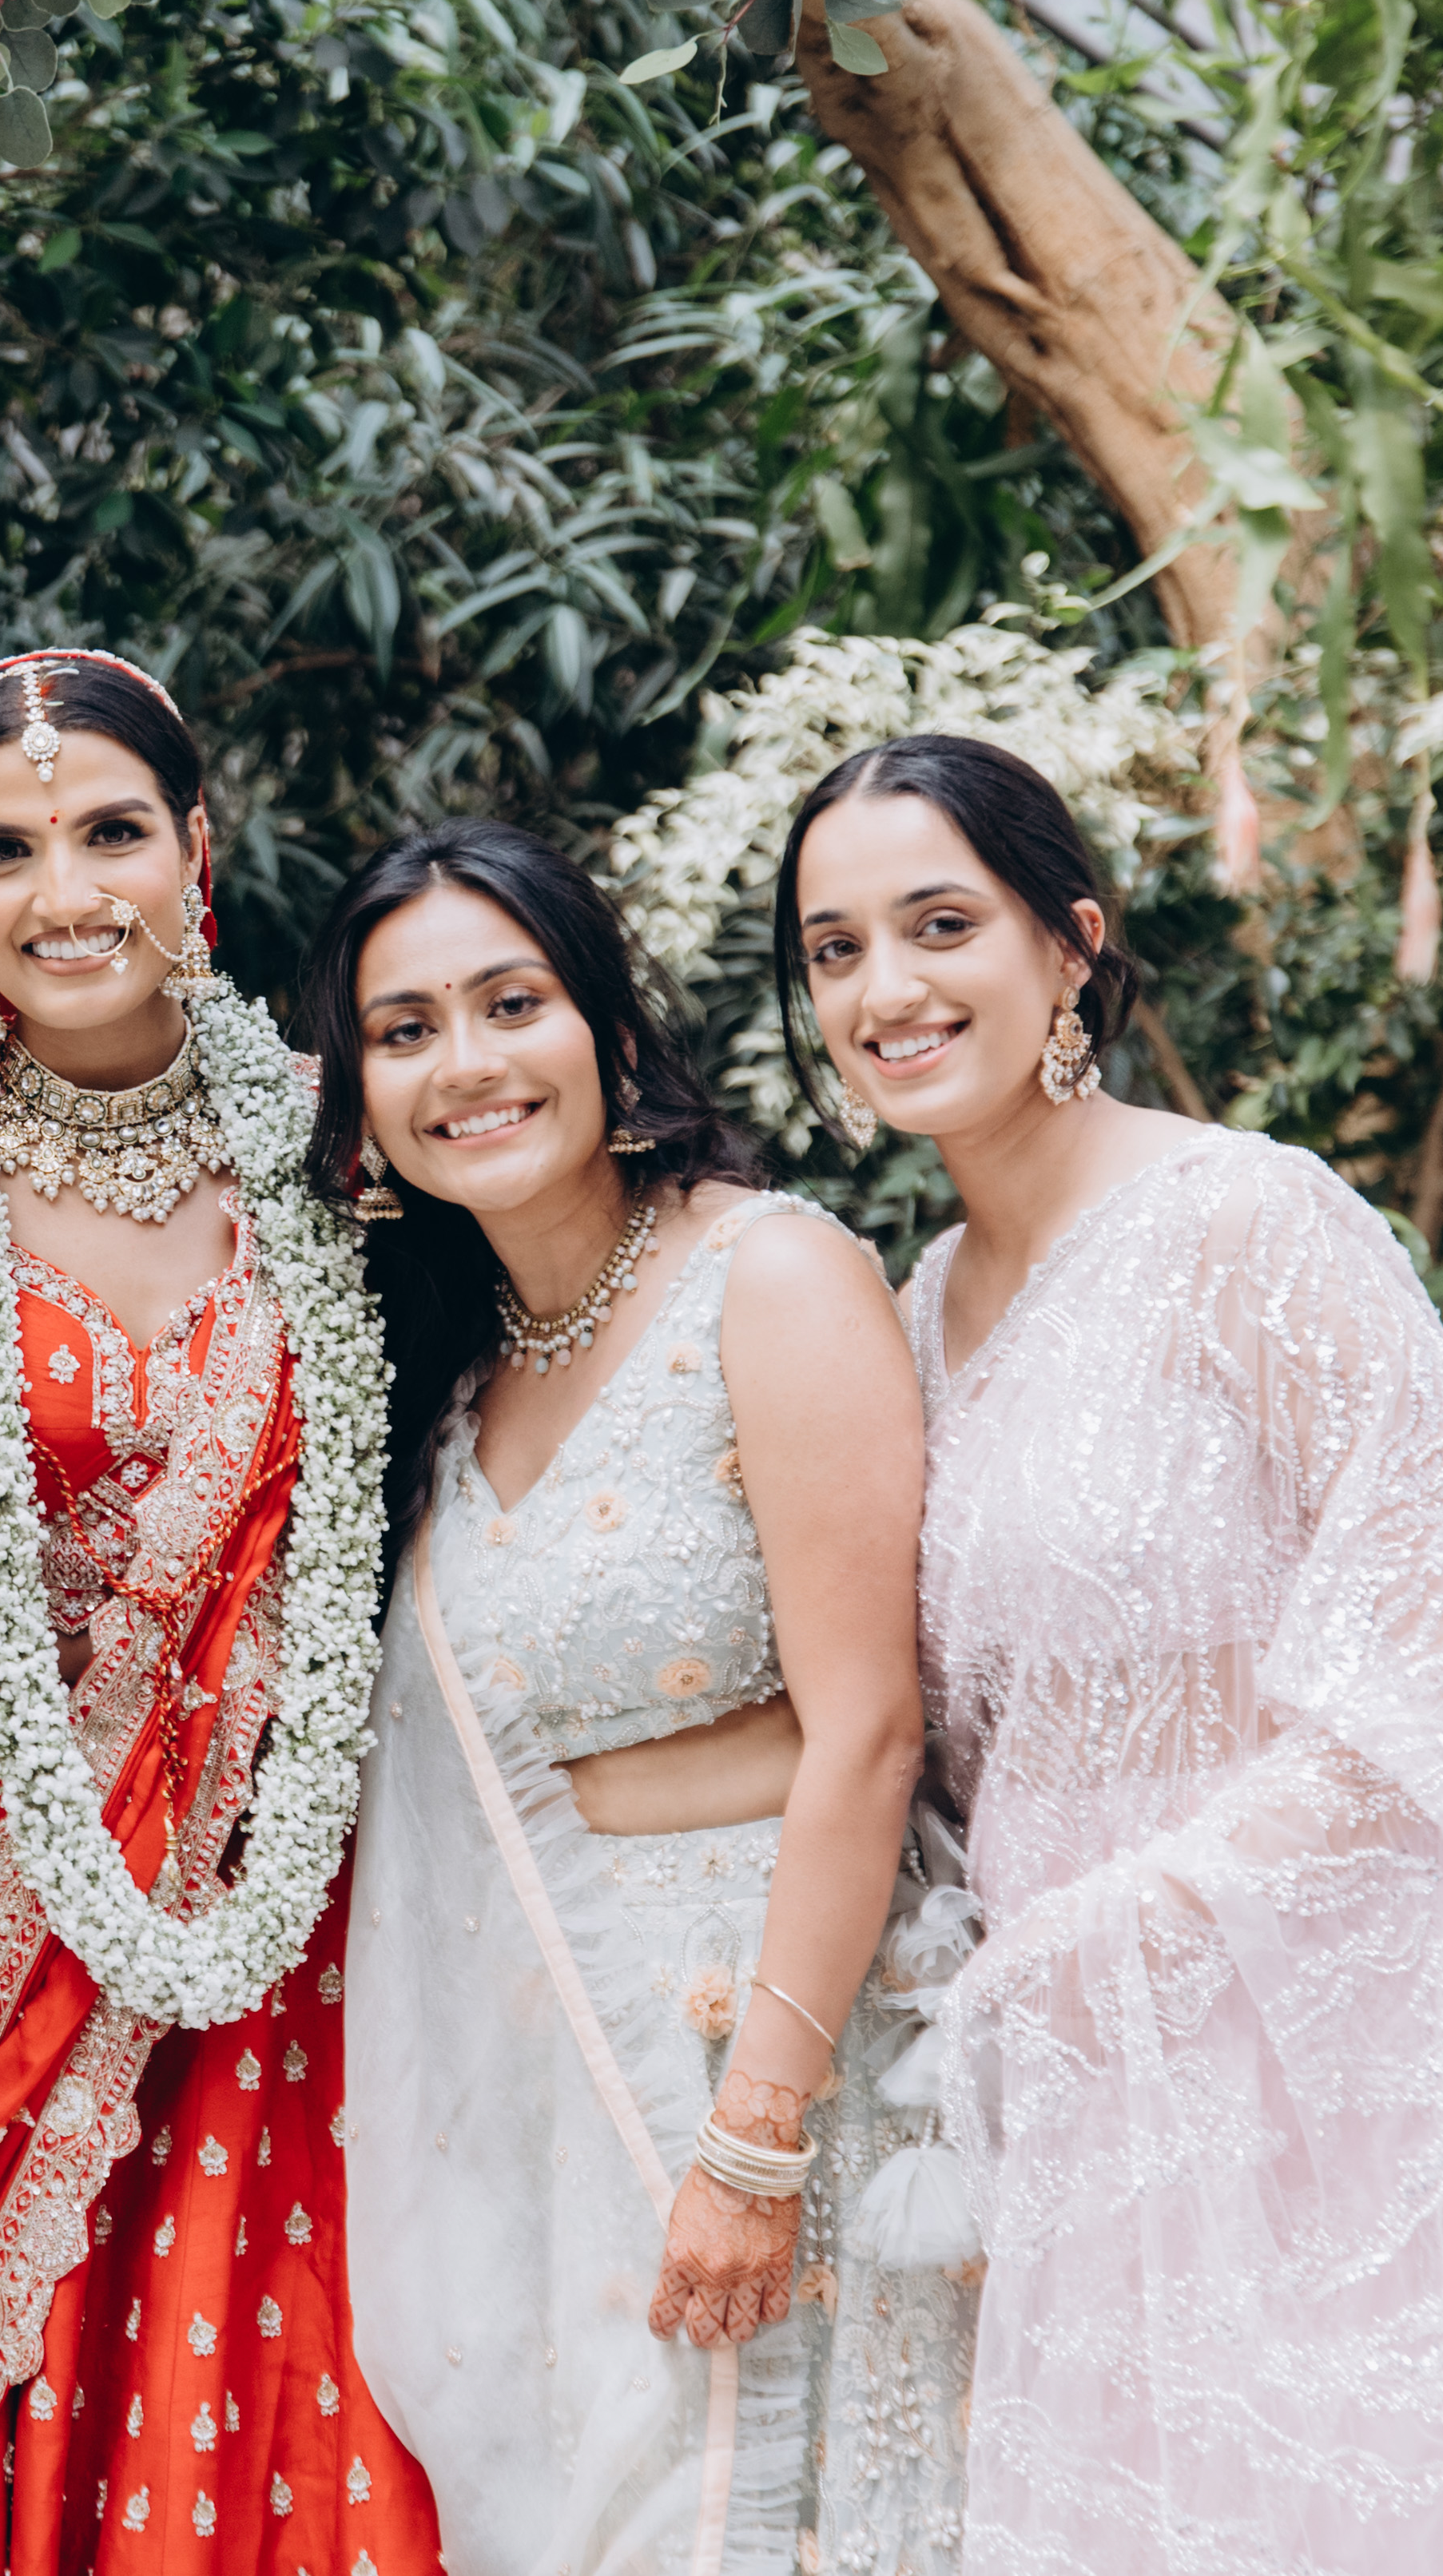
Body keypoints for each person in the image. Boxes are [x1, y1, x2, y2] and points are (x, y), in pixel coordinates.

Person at [773, 734, 1443, 2575]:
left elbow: (1436, 1666)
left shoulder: (1253, 1226)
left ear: (1072, 943)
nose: (886, 988)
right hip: (1067, 2116)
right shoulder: (912, 1313)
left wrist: (1127, 1934)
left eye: (941, 924)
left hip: (1304, 2079)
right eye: (836, 949)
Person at [0, 649, 440, 2576]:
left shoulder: (344, 1151)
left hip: (252, 1916)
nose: (65, 892)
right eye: (4, 849)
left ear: (198, 846)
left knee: (230, 2422)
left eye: (112, 829)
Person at [310, 820, 973, 2576]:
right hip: (541, 2094)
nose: (465, 1063)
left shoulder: (772, 1278)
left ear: (609, 1031)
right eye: (404, 1031)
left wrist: (755, 2138)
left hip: (760, 2059)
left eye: (510, 1002)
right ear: (361, 1100)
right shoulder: (452, 1368)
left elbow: (869, 1734)